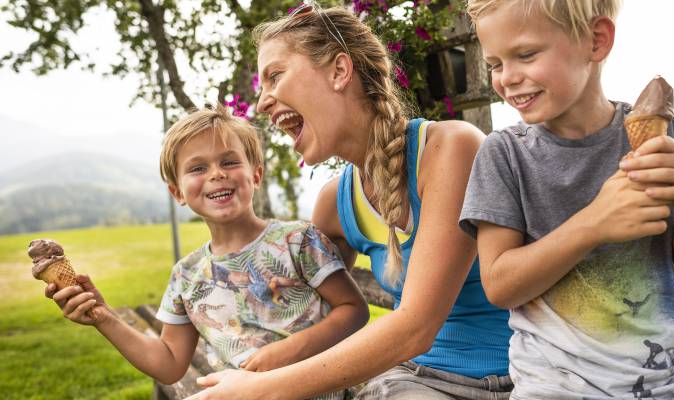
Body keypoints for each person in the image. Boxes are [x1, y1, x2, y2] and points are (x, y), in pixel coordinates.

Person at [188, 4, 513, 400]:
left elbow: (417, 327)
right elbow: (309, 310)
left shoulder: (449, 150)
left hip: (501, 383)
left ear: (339, 71)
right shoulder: (335, 203)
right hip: (407, 382)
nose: (263, 103)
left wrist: (262, 390)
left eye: (275, 76)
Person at [459, 0, 674, 398]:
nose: (507, 78)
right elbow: (499, 285)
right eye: (495, 64)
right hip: (554, 389)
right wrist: (592, 224)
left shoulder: (662, 138)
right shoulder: (504, 155)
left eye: (526, 55)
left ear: (596, 41)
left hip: (670, 386)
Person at [44, 106, 369, 400]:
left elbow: (353, 310)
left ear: (255, 175)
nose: (216, 174)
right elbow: (169, 363)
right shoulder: (187, 275)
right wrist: (103, 316)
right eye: (198, 168)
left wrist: (285, 352)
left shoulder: (298, 241)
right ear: (178, 192)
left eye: (229, 161)